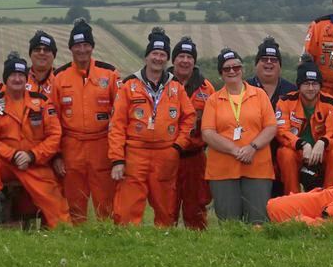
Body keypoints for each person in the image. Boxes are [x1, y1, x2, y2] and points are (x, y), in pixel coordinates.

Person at [109, 29, 196, 225]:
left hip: (166, 153)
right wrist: (117, 159)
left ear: (167, 59)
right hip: (135, 154)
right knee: (126, 209)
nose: (158, 58)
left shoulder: (175, 87)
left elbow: (190, 118)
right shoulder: (129, 86)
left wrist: (178, 146)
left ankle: (163, 240)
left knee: (166, 209)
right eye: (154, 53)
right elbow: (116, 125)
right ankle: (126, 240)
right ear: (146, 56)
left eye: (163, 55)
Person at [0, 54, 69, 227]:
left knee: (57, 211)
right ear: (6, 78)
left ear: (26, 79)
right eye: (13, 75)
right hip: (5, 162)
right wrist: (12, 155)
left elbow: (55, 136)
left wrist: (32, 155)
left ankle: (58, 229)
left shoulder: (41, 103)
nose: (17, 79)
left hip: (34, 163)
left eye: (21, 75)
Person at [47, 19, 120, 223]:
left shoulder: (109, 73)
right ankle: (77, 237)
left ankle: (107, 235)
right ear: (71, 48)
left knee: (106, 201)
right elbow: (52, 120)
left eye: (86, 45)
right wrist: (56, 155)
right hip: (71, 146)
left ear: (92, 47)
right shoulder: (59, 77)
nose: (82, 50)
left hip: (102, 145)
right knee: (74, 201)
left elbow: (120, 116)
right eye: (77, 45)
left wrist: (118, 153)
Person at [201, 48, 279, 222]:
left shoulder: (259, 95)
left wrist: (252, 147)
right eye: (227, 68)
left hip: (257, 167)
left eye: (236, 67)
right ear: (221, 73)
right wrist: (234, 150)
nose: (232, 71)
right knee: (230, 223)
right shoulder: (213, 100)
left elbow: (271, 127)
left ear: (242, 70)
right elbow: (207, 133)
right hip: (223, 169)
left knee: (258, 221)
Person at [274, 59, 333, 193]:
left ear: (320, 85)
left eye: (315, 84)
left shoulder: (331, 102)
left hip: (321, 151)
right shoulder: (285, 101)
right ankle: (292, 197)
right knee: (284, 153)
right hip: (298, 150)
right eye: (306, 84)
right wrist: (302, 144)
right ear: (299, 85)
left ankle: (328, 196)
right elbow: (281, 131)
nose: (311, 88)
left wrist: (323, 142)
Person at [171, 36, 213, 230]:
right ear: (173, 59)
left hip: (195, 157)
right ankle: (162, 241)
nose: (185, 61)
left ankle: (197, 242)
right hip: (169, 155)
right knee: (166, 206)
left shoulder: (206, 88)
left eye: (189, 57)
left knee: (196, 207)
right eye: (181, 56)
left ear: (194, 61)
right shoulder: (163, 84)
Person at [250, 37, 295, 102]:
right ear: (256, 64)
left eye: (273, 60)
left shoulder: (292, 91)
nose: (269, 62)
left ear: (280, 66)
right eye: (264, 59)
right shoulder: (244, 89)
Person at [26, 30, 59, 98]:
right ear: (30, 54)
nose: (41, 53)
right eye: (37, 49)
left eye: (46, 50)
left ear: (54, 55)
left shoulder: (61, 80)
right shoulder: (19, 79)